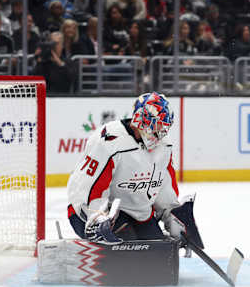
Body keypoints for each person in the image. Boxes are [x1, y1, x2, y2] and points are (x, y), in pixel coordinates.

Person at [66, 92, 203, 247]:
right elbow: (88, 186)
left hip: (138, 212)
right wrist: (96, 216)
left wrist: (171, 216)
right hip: (93, 213)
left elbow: (164, 186)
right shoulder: (110, 141)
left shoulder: (164, 146)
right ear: (142, 119)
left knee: (159, 250)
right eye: (157, 124)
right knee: (130, 248)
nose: (161, 131)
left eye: (164, 125)